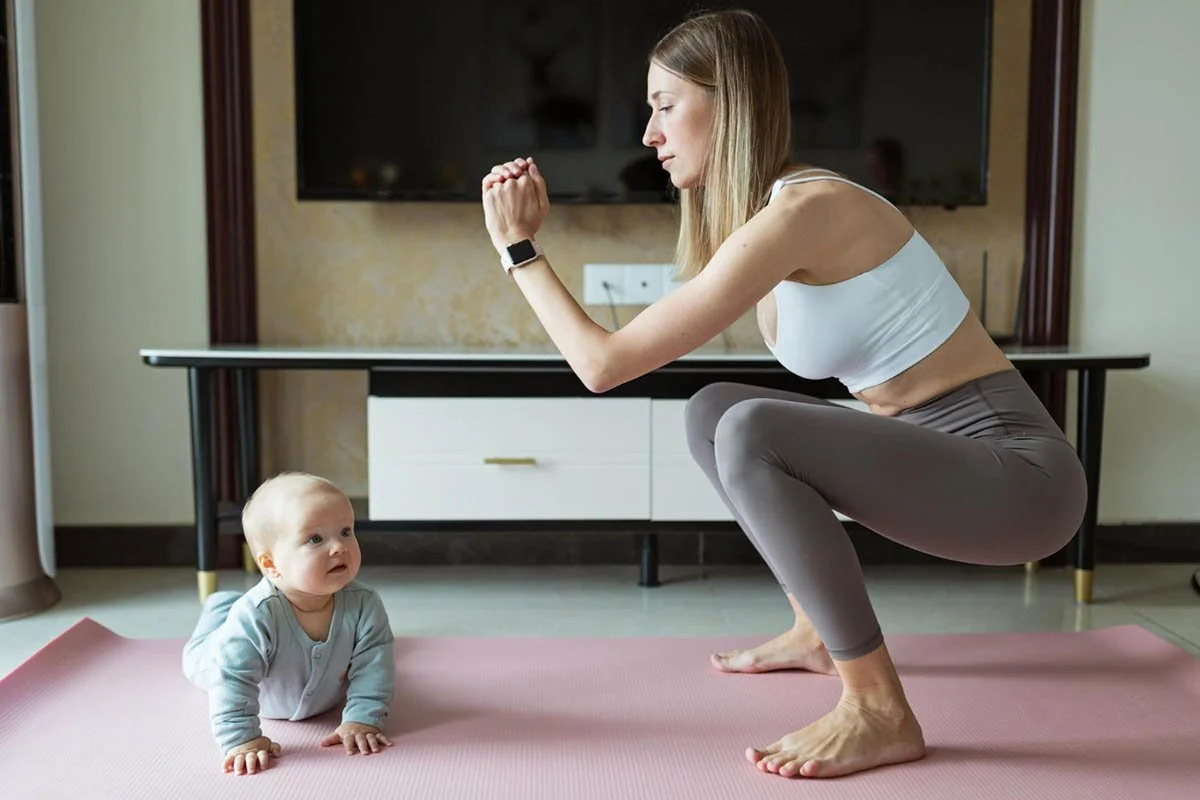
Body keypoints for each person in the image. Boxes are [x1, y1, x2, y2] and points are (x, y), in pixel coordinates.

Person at [480, 7, 1088, 781]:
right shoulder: (767, 214)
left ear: (727, 104)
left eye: (665, 106)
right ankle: (814, 631)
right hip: (944, 460)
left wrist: (519, 249)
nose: (648, 134)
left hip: (1020, 483)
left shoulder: (809, 209)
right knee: (714, 411)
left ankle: (879, 710)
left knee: (751, 427)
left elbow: (604, 365)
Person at [182, 472, 395, 776]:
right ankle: (219, 607)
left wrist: (363, 719)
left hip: (312, 692)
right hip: (213, 660)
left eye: (346, 531)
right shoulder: (255, 616)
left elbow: (375, 666)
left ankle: (224, 604)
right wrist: (241, 740)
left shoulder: (365, 604)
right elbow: (232, 680)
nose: (339, 547)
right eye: (316, 539)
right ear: (270, 565)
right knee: (197, 658)